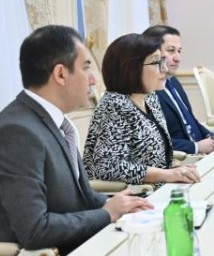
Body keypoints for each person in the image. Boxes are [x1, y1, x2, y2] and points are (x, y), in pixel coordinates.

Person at [0, 26, 152, 256]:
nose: (93, 79)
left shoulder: (53, 123)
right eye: (86, 67)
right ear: (60, 74)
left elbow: (81, 197)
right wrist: (107, 214)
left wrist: (124, 205)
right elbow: (35, 230)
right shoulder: (17, 131)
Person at [84, 33, 201, 186]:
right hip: (133, 196)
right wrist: (166, 174)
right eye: (156, 62)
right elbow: (108, 167)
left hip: (159, 188)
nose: (165, 68)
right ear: (131, 68)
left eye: (162, 61)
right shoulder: (114, 106)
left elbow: (152, 157)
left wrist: (176, 167)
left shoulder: (150, 98)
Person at [142, 24, 214, 155]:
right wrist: (196, 147)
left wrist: (210, 136)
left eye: (179, 51)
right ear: (153, 53)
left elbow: (190, 120)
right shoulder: (145, 91)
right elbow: (154, 141)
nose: (178, 58)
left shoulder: (173, 82)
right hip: (183, 159)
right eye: (171, 50)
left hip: (202, 152)